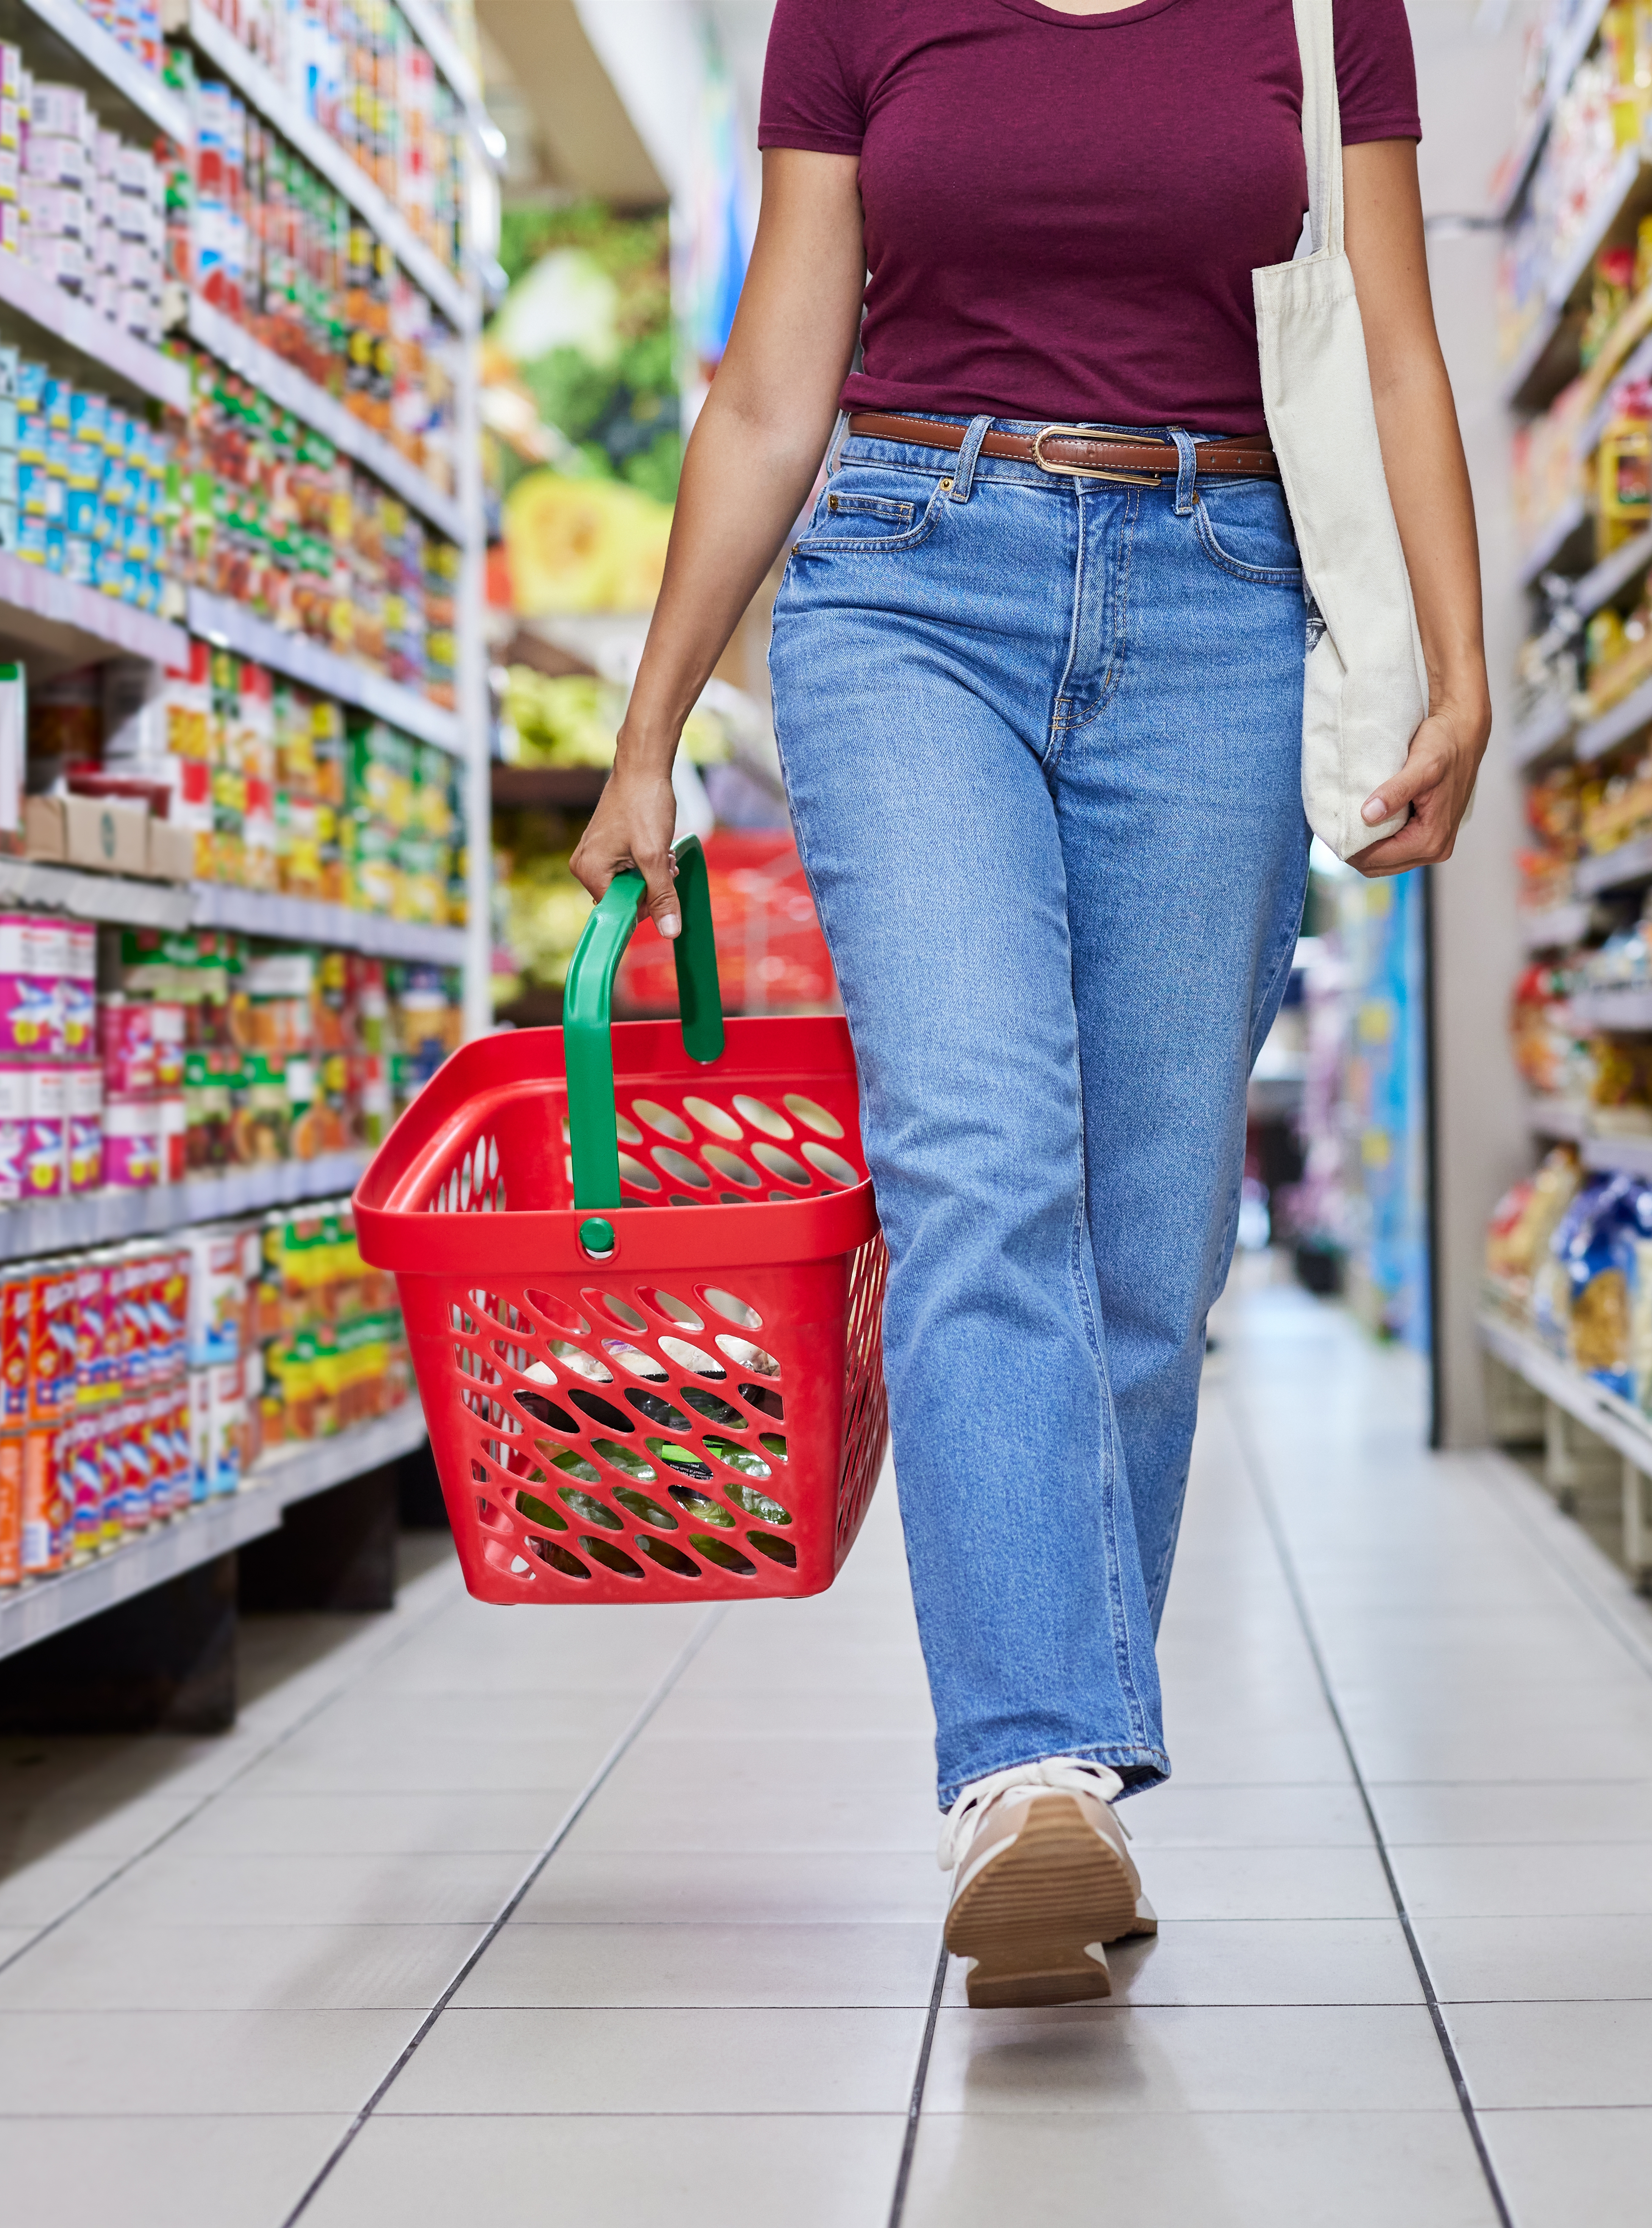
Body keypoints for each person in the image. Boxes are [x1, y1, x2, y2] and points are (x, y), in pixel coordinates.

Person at [567, 0, 1488, 2008]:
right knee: (979, 1160)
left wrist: (1456, 665)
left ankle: (1063, 1767)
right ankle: (1029, 1770)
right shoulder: (855, 10)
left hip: (1223, 598)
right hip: (906, 584)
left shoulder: (1327, 18)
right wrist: (645, 730)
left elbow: (1398, 349)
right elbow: (761, 390)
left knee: (1150, 1237)